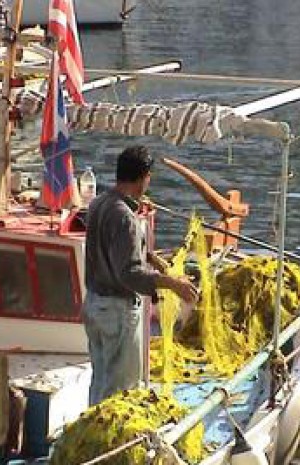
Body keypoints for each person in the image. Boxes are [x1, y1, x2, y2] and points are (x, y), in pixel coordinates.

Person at [84, 145, 198, 405]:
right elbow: (129, 274)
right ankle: (113, 443)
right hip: (117, 312)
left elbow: (112, 247)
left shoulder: (99, 203)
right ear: (144, 177)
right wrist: (172, 284)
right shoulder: (126, 218)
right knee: (120, 391)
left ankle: (93, 434)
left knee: (101, 381)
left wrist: (151, 256)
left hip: (94, 305)